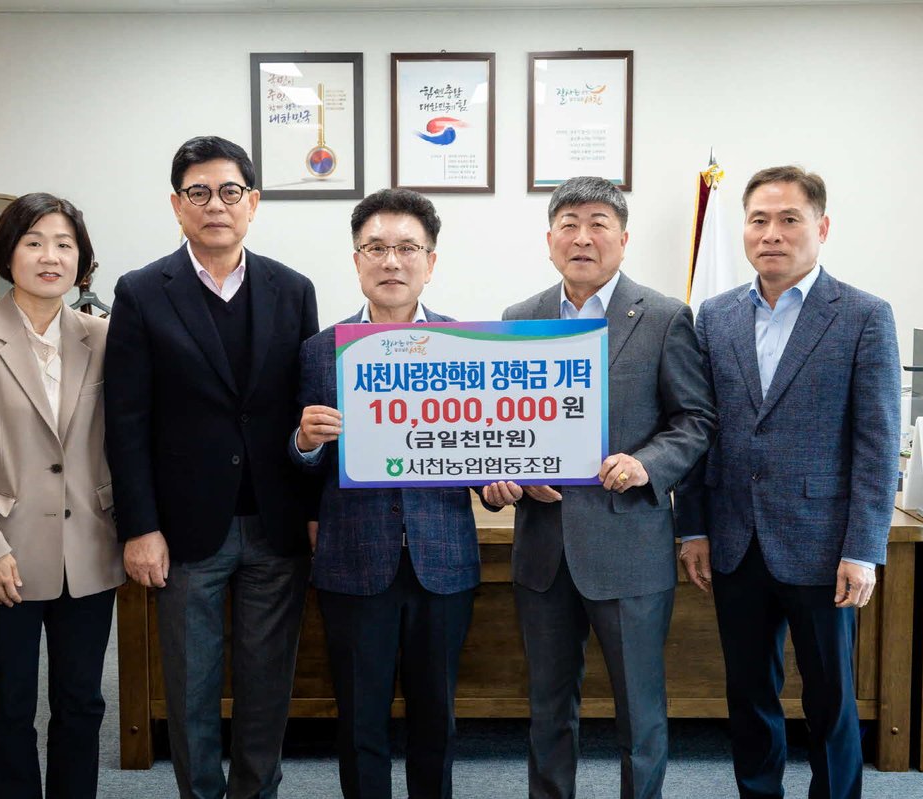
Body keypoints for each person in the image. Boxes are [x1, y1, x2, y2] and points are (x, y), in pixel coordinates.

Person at [483, 176, 716, 799]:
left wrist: (645, 464)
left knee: (639, 709)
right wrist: (509, 471)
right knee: (547, 707)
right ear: (550, 240)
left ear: (623, 238)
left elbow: (695, 421)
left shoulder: (664, 317)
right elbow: (501, 423)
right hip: (543, 548)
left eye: (598, 224)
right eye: (569, 224)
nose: (582, 237)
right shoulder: (518, 319)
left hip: (628, 545)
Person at [104, 136, 318, 799]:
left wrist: (314, 512)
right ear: (177, 205)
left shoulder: (293, 289)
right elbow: (125, 421)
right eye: (198, 192)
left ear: (253, 202)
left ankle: (257, 792)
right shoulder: (141, 292)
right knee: (190, 684)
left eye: (230, 191)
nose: (215, 205)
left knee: (267, 681)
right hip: (185, 528)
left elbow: (307, 407)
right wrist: (140, 527)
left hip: (275, 523)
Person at [676, 166, 901, 799]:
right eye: (758, 220)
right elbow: (697, 428)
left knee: (830, 698)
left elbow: (878, 442)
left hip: (824, 544)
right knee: (749, 694)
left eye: (789, 219)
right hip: (735, 539)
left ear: (821, 228)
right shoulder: (714, 315)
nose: (771, 233)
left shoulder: (863, 315)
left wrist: (863, 549)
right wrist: (692, 527)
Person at [290, 188, 499, 799]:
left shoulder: (470, 345)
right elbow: (299, 467)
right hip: (353, 559)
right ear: (356, 260)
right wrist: (303, 441)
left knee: (436, 716)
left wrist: (497, 480)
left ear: (430, 262)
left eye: (407, 248)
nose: (391, 261)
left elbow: (483, 446)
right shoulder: (319, 351)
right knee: (360, 720)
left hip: (443, 558)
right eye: (376, 248)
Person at [0, 192, 124, 798]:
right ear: (7, 254)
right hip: (2, 552)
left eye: (65, 244)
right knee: (10, 706)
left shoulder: (103, 336)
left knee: (82, 704)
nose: (50, 256)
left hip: (87, 549)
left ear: (81, 261)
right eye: (34, 242)